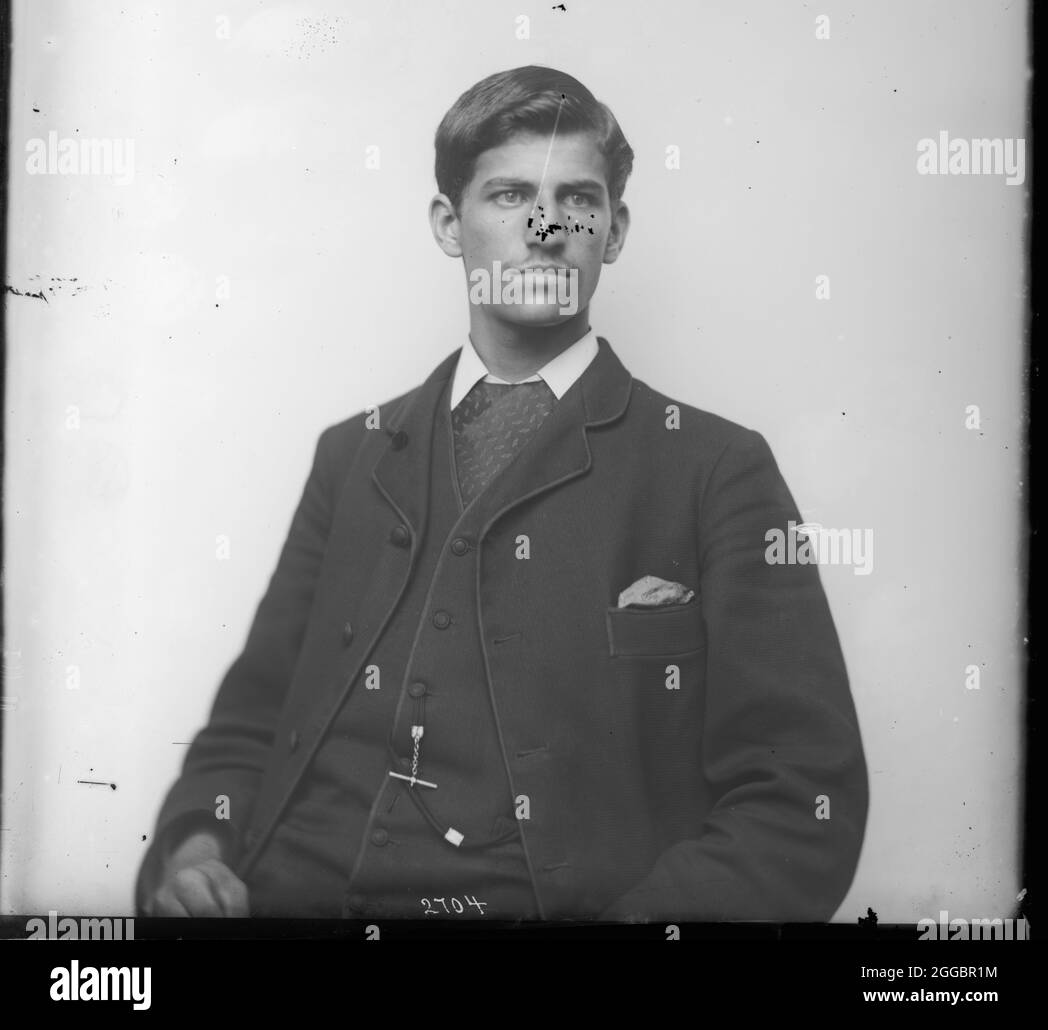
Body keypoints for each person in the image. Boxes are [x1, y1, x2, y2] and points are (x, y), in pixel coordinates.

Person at [137, 65, 868, 922]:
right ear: (450, 225)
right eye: (510, 194)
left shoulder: (713, 469)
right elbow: (248, 723)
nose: (548, 226)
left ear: (615, 230)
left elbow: (800, 798)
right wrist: (196, 848)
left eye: (579, 200)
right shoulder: (353, 457)